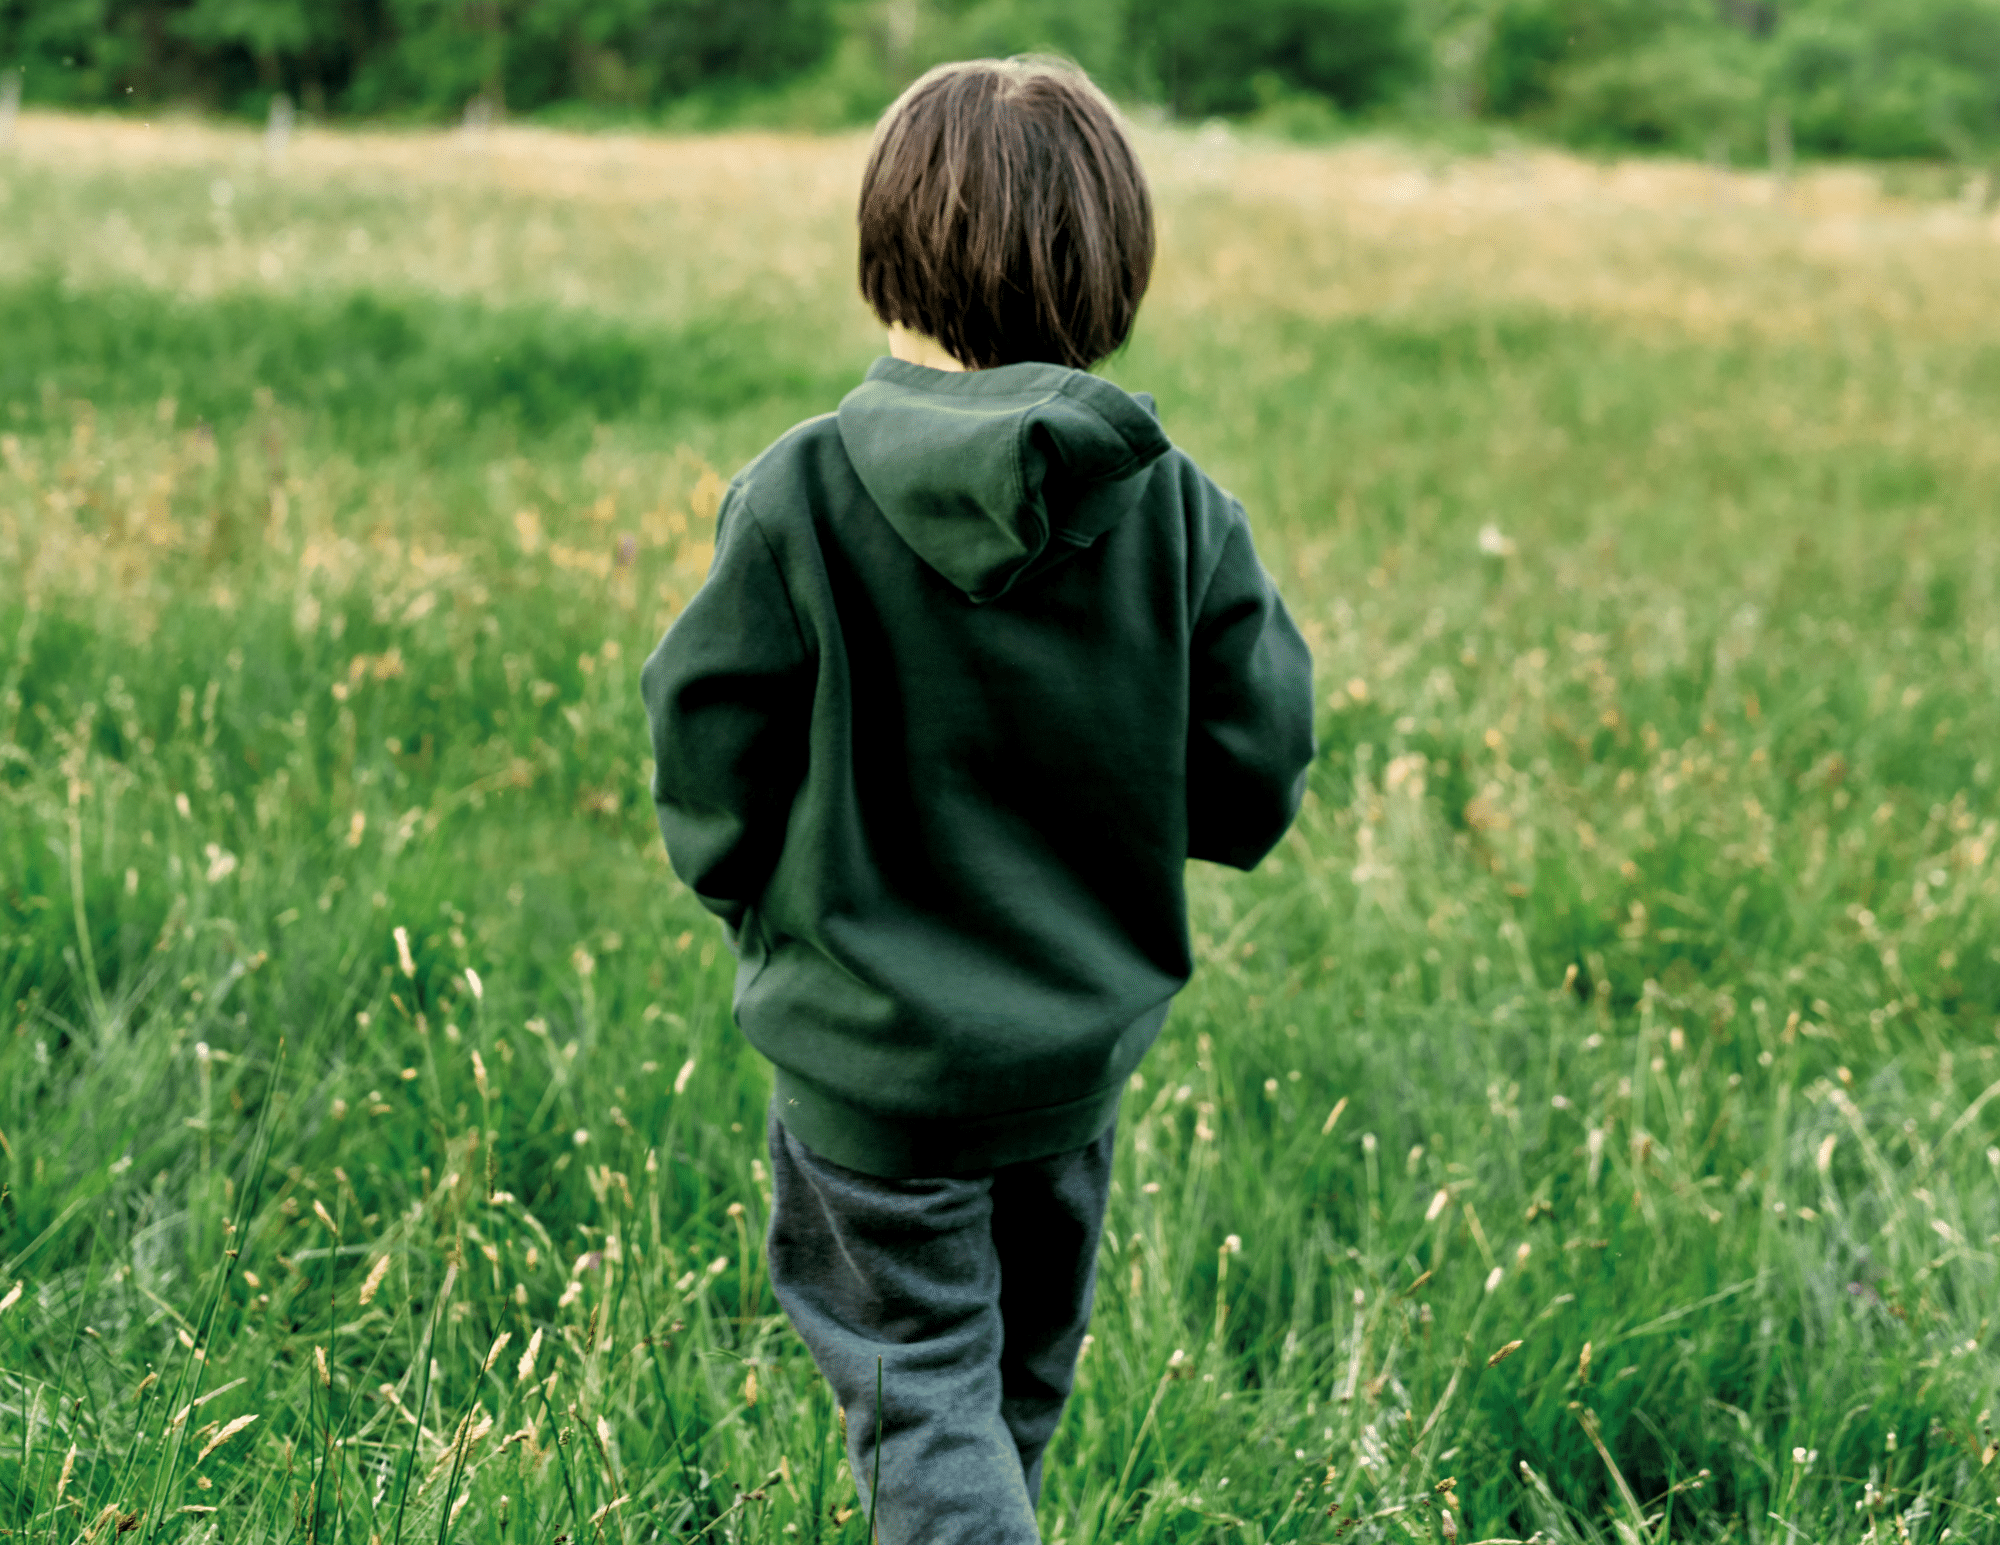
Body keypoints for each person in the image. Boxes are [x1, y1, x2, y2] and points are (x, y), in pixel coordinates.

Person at [639, 55, 1315, 1545]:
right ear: (1114, 278)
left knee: (923, 1396)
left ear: (886, 263)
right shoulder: (1180, 511)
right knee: (1004, 1390)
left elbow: (704, 747)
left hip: (870, 1069)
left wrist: (764, 903)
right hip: (1070, 1061)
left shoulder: (799, 497)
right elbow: (1254, 777)